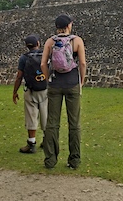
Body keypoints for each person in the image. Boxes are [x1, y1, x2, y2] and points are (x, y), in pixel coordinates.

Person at [40, 14, 86, 169]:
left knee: (52, 123)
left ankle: (50, 160)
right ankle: (74, 160)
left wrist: (47, 79)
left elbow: (43, 64)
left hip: (55, 84)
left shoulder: (50, 42)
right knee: (74, 123)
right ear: (69, 25)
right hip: (72, 83)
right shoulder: (76, 41)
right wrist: (81, 81)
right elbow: (83, 63)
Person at [12, 35, 48, 154]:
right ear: (38, 43)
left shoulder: (24, 58)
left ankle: (31, 143)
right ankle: (47, 140)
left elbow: (19, 76)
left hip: (31, 90)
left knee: (31, 116)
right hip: (45, 89)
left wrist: (15, 91)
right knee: (46, 115)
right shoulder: (45, 55)